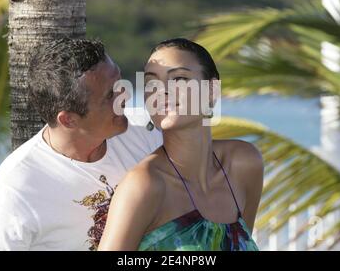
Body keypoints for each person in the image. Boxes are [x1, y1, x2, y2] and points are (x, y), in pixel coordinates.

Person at [0, 38, 162, 251]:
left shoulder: (145, 132)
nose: (125, 95)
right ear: (68, 120)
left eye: (121, 83)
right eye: (110, 95)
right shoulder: (16, 191)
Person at [98, 38, 264, 251]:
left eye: (179, 79)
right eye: (151, 83)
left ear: (212, 91)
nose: (162, 91)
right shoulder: (145, 185)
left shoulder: (243, 163)